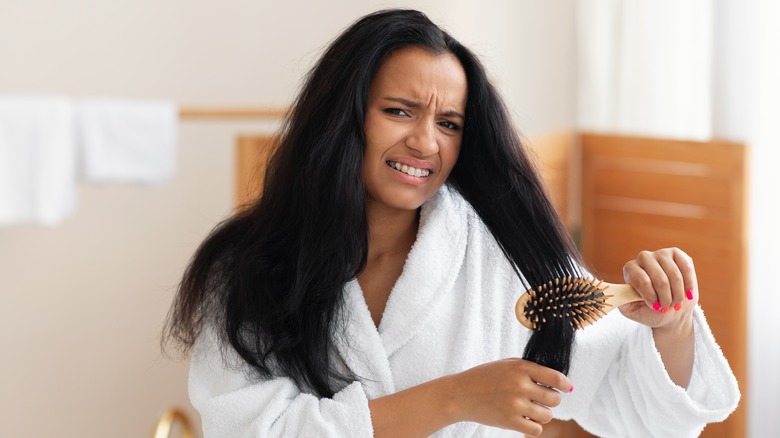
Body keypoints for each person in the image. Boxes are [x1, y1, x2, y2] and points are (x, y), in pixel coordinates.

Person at [165, 9, 739, 437]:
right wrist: (454, 399)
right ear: (346, 115)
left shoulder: (508, 256)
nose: (424, 141)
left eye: (450, 122)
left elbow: (633, 405)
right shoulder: (248, 268)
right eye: (399, 111)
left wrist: (673, 328)